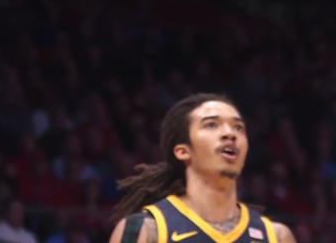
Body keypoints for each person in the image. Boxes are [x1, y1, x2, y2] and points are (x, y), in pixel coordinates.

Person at [106, 94, 298, 243]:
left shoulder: (276, 236)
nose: (229, 134)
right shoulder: (145, 230)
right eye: (212, 125)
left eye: (238, 127)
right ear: (183, 151)